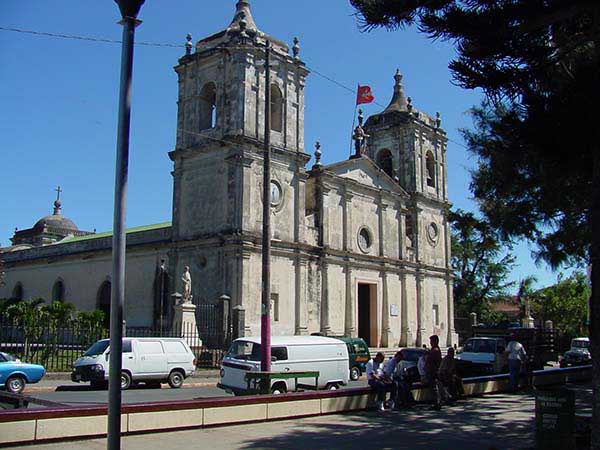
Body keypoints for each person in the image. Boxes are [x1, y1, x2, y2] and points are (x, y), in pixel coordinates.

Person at [424, 335, 442, 410]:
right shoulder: (434, 350)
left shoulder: (435, 350)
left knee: (434, 388)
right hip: (432, 371)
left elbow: (430, 360)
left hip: (432, 371)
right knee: (433, 388)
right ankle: (436, 402)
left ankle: (436, 403)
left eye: (431, 341)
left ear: (435, 341)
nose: (430, 343)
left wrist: (427, 356)